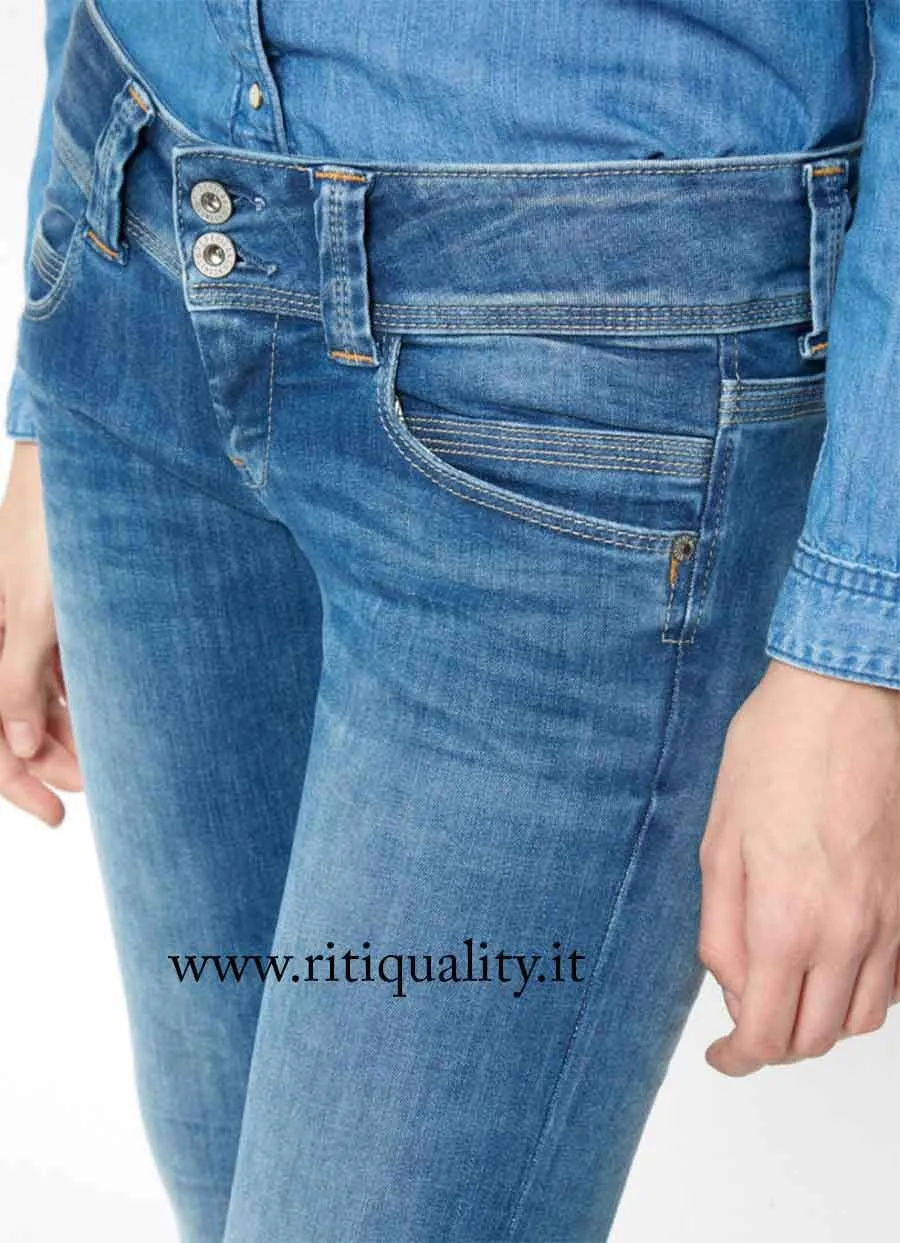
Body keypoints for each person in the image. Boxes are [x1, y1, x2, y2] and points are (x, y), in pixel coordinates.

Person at [1, 1, 899, 1239]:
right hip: (136, 260)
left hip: (578, 404)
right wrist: (50, 386)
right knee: (227, 1185)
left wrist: (861, 648)